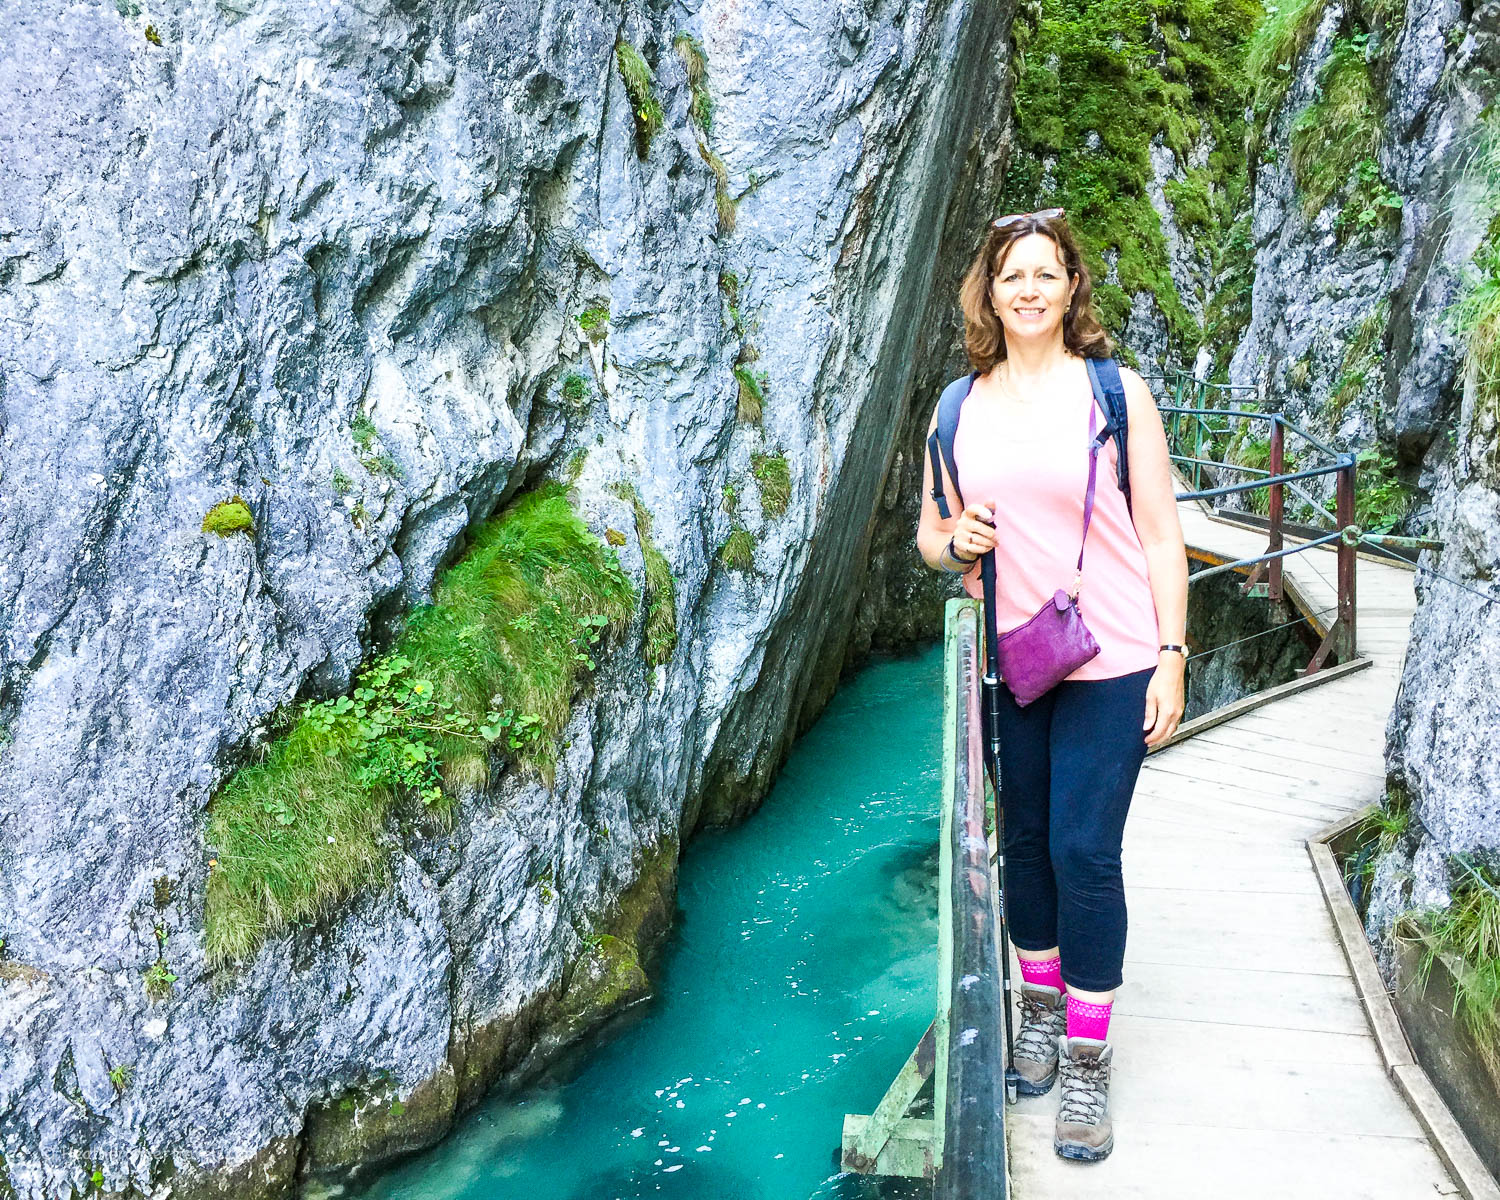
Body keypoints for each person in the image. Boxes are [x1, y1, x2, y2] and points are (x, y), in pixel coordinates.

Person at [914, 209, 1188, 1162]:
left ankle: (1084, 1058)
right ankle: (1036, 1006)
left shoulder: (1117, 394)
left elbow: (1160, 533)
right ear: (988, 294)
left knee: (1084, 850)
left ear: (1071, 288)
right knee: (1023, 846)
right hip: (1014, 662)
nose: (1027, 289)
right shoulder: (957, 408)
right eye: (1011, 276)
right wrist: (958, 543)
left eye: (1045, 273)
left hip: (1112, 657)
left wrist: (1173, 657)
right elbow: (930, 534)